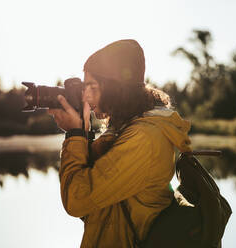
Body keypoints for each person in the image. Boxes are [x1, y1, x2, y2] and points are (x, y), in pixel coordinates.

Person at [48, 39, 192, 248]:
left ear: (115, 88)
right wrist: (83, 133)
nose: (85, 96)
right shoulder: (127, 129)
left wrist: (74, 133)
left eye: (92, 86)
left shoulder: (143, 138)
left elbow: (77, 200)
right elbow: (96, 208)